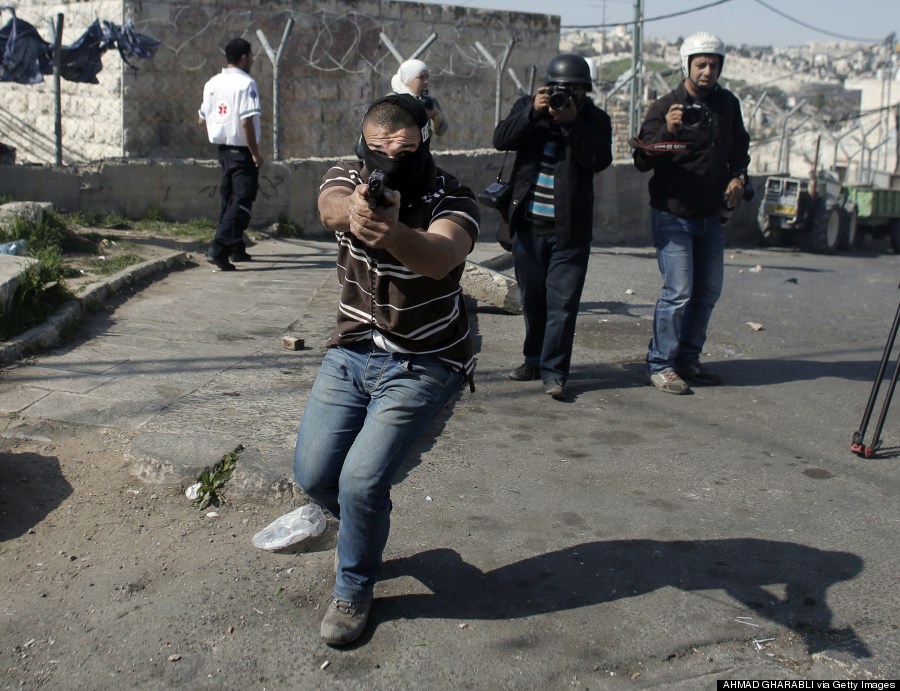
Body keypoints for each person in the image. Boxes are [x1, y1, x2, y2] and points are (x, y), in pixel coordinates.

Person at [293, 94, 480, 646]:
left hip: (425, 358)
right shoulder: (352, 174)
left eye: (400, 151)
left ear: (424, 140)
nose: (386, 163)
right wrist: (353, 211)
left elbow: (442, 255)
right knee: (313, 475)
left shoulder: (455, 195)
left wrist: (394, 234)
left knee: (361, 480)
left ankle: (353, 589)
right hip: (352, 348)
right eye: (376, 152)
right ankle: (361, 528)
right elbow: (327, 202)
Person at [633, 31, 751, 395]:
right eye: (701, 63)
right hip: (673, 214)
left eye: (714, 64)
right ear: (687, 64)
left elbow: (740, 150)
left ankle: (687, 358)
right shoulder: (665, 106)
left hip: (711, 216)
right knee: (678, 292)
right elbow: (642, 159)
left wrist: (738, 178)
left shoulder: (727, 105)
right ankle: (661, 363)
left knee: (708, 291)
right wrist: (668, 131)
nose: (707, 71)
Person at [492, 53, 612, 401]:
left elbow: (598, 160)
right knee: (534, 300)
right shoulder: (530, 108)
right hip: (528, 227)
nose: (566, 96)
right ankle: (533, 360)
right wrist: (533, 112)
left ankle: (555, 373)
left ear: (584, 92)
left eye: (574, 90)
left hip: (569, 232)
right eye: (560, 89)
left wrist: (573, 124)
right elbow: (501, 139)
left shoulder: (595, 120)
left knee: (563, 304)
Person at [197, 37, 263, 272]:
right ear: (244, 57)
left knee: (229, 199)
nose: (252, 61)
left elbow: (202, 119)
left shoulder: (212, 83)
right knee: (242, 200)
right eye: (251, 56)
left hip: (223, 149)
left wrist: (220, 131)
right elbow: (246, 122)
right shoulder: (246, 84)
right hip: (242, 150)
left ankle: (235, 247)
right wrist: (255, 154)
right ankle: (220, 247)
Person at [391, 58, 447, 138]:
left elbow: (440, 132)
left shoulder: (428, 101)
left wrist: (435, 115)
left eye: (427, 77)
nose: (426, 81)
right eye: (421, 77)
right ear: (408, 79)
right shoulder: (393, 100)